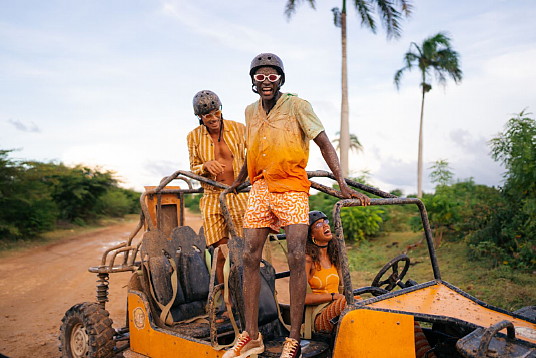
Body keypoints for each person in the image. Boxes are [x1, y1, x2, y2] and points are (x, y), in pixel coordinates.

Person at [223, 53, 370, 358]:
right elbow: (251, 150)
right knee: (249, 255)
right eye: (260, 77)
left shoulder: (298, 105)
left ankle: (292, 338)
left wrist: (340, 183)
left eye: (272, 76)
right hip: (261, 187)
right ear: (252, 81)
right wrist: (238, 181)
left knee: (294, 255)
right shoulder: (250, 111)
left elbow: (324, 143)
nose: (266, 82)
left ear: (281, 79)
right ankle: (251, 335)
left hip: (291, 186)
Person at [305, 210, 436, 358]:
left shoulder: (334, 254)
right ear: (311, 235)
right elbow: (301, 298)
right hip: (319, 315)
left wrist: (340, 296)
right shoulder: (307, 260)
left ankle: (427, 355)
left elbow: (345, 288)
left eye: (326, 222)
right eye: (318, 225)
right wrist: (334, 296)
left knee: (402, 313)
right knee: (351, 302)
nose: (325, 226)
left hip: (339, 305)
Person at [186, 90, 248, 303]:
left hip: (239, 194)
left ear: (221, 110)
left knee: (243, 249)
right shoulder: (193, 136)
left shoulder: (239, 129)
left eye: (215, 113)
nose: (213, 119)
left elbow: (256, 155)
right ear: (199, 118)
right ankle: (226, 302)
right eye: (207, 116)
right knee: (220, 251)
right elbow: (192, 168)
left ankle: (248, 298)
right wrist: (204, 166)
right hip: (212, 195)